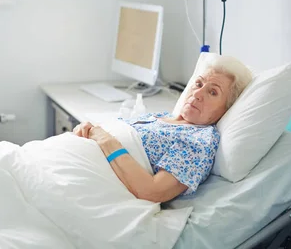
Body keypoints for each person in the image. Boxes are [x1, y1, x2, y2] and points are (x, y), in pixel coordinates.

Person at [73, 55, 253, 203]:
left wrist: (104, 138)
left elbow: (153, 191)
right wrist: (87, 130)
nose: (197, 94)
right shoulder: (160, 117)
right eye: (198, 84)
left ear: (226, 109)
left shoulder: (199, 141)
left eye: (213, 92)